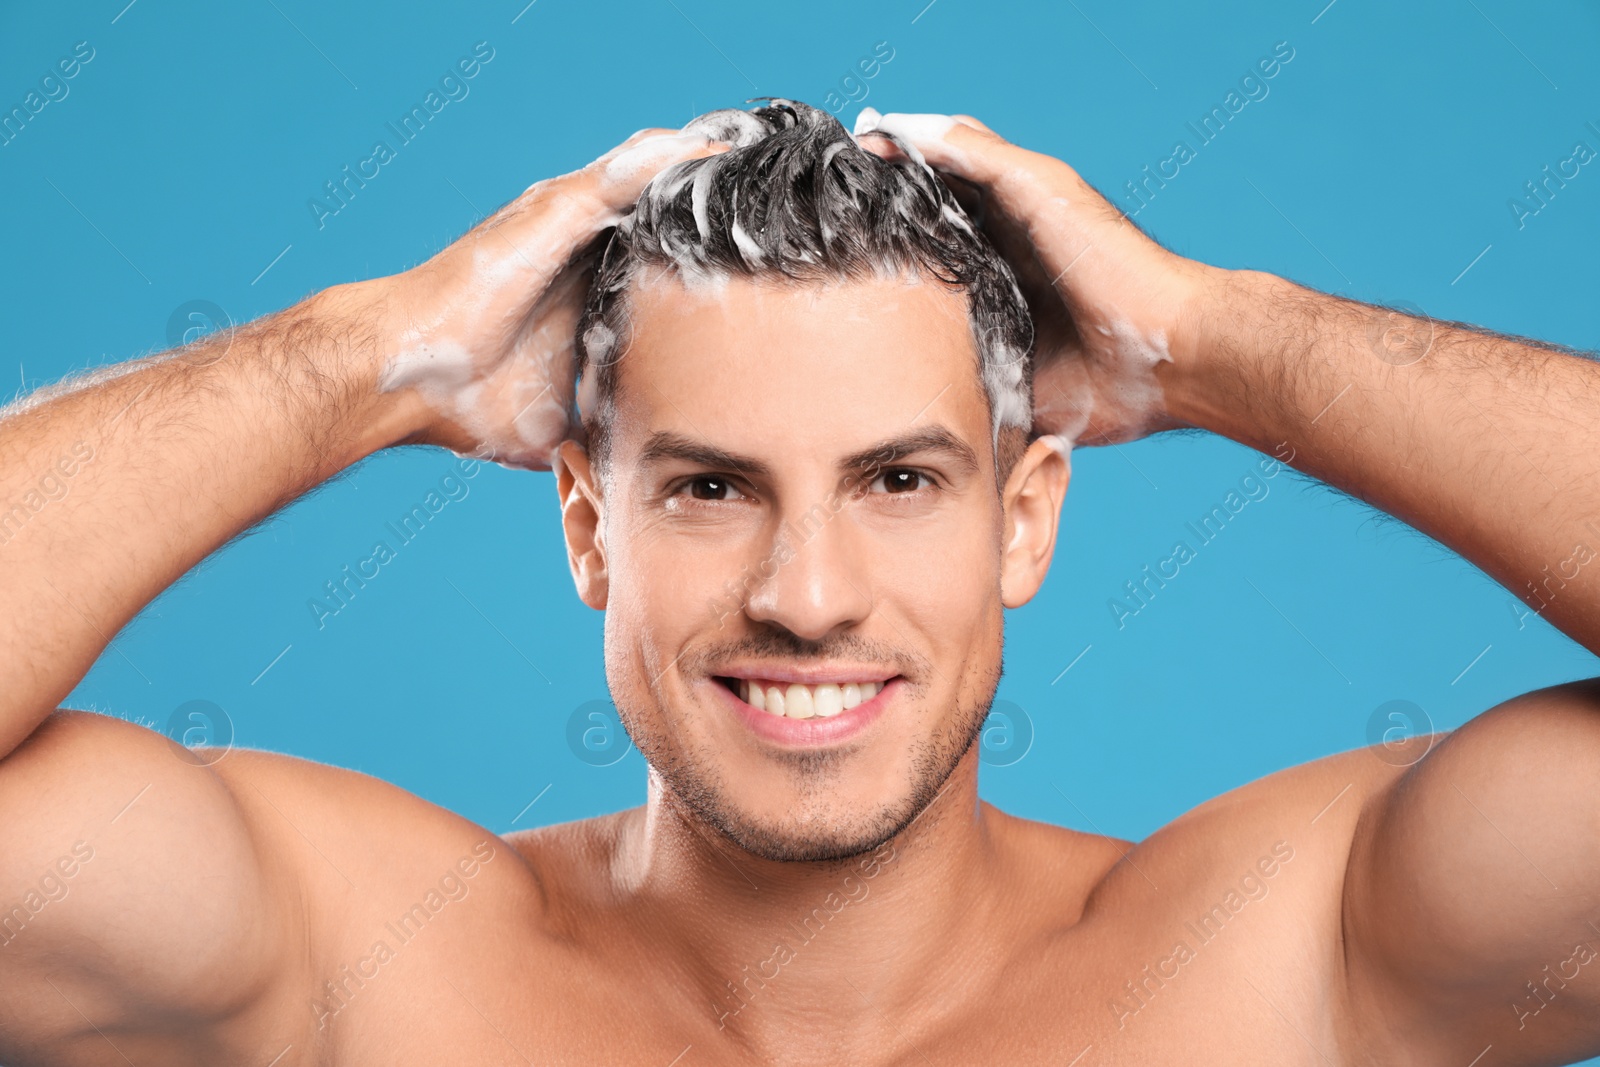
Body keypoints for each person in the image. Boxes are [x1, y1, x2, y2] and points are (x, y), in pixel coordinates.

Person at [0, 98, 1595, 1065]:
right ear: (586, 525)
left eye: (900, 481)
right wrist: (375, 359)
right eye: (708, 488)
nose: (808, 594)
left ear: (1026, 517)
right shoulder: (347, 969)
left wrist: (1223, 341)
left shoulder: (1297, 959)